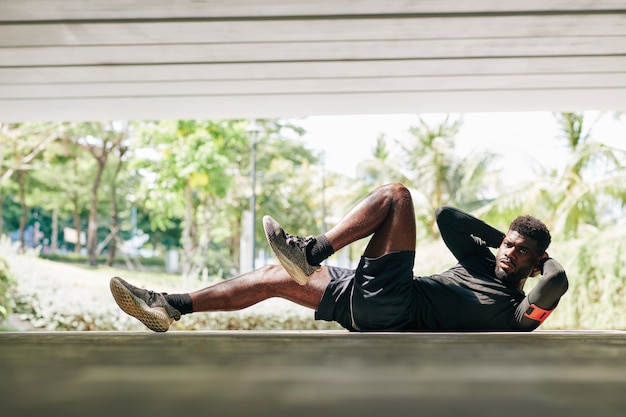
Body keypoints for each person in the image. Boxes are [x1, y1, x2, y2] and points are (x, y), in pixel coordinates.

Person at [110, 183, 568, 333]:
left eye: (521, 252)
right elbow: (448, 217)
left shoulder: (517, 312)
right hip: (372, 300)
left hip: (395, 306)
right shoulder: (478, 261)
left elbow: (558, 280)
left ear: (536, 262)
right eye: (507, 245)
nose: (509, 254)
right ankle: (168, 306)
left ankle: (311, 252)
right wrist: (503, 238)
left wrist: (541, 258)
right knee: (273, 276)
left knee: (396, 196)